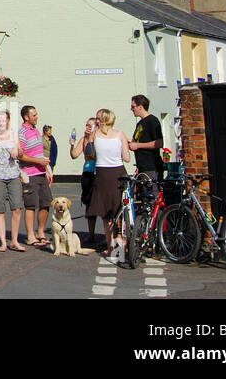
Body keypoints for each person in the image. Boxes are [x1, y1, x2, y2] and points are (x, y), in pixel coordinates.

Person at [86, 108, 132, 258]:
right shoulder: (120, 134)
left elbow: (90, 154)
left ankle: (110, 246)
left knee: (106, 213)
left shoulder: (95, 135)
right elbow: (126, 158)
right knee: (119, 209)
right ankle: (122, 243)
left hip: (101, 174)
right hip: (118, 173)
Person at [0, 110, 25, 251]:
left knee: (17, 208)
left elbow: (21, 152)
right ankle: (3, 242)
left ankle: (14, 240)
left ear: (8, 121)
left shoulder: (14, 135)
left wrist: (16, 150)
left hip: (13, 173)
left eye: (3, 120)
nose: (1, 123)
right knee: (0, 209)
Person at [19, 105, 53, 247]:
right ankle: (30, 236)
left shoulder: (36, 131)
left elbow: (39, 153)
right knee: (31, 205)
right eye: (34, 115)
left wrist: (46, 170)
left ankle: (40, 232)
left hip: (41, 172)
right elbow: (20, 155)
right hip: (29, 174)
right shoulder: (22, 133)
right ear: (26, 117)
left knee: (46, 203)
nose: (36, 117)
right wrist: (38, 161)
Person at [70, 115, 101, 246]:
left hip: (99, 171)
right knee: (88, 202)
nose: (87, 127)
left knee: (101, 202)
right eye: (86, 125)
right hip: (88, 172)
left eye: (90, 125)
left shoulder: (99, 139)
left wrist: (90, 139)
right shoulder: (84, 139)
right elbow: (74, 155)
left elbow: (93, 154)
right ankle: (91, 234)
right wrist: (72, 145)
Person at [129, 95, 164, 179]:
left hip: (151, 167)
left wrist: (137, 145)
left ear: (140, 107)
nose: (132, 109)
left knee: (151, 191)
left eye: (133, 107)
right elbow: (138, 141)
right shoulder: (140, 123)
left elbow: (159, 143)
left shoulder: (152, 121)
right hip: (142, 166)